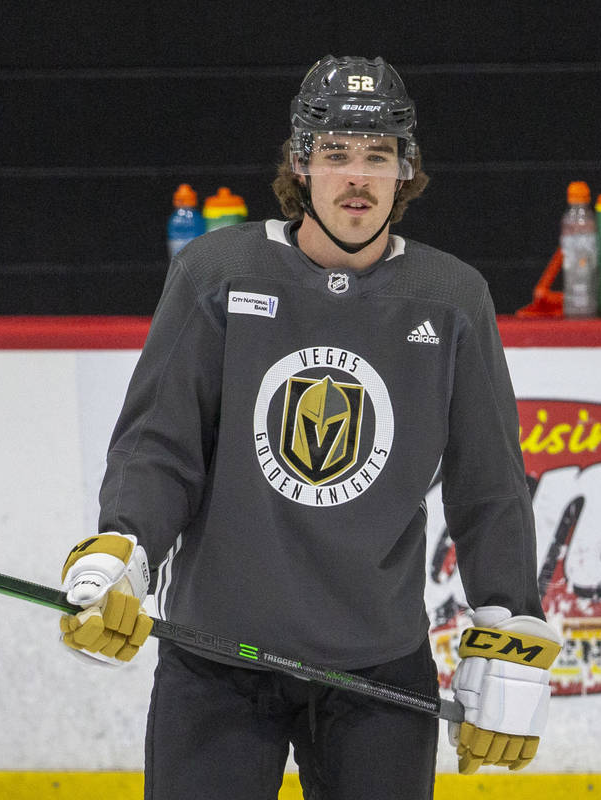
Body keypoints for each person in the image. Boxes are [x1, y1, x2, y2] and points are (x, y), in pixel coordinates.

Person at [57, 55, 561, 799]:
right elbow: (160, 446)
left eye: (377, 156)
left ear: (404, 169)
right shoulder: (216, 272)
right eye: (336, 154)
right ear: (301, 163)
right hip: (216, 658)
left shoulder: (452, 297)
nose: (357, 178)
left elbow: (489, 487)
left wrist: (510, 625)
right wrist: (124, 549)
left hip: (378, 672)